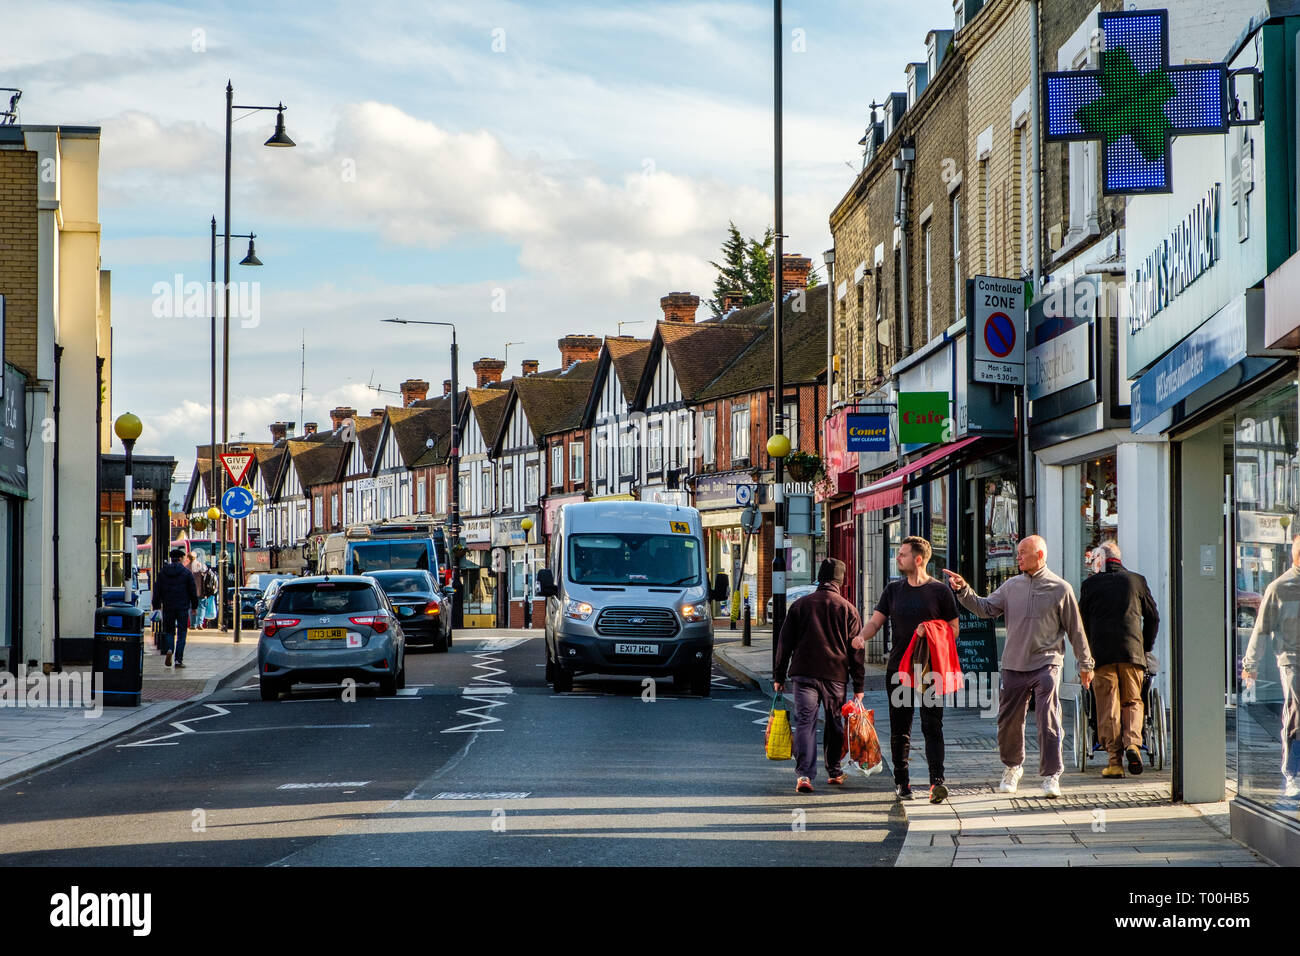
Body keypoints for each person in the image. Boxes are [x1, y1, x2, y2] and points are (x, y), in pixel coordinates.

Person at [942, 535, 1094, 798]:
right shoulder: (1011, 586)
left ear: (1040, 555)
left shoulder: (1061, 588)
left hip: (1047, 663)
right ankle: (1013, 767)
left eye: (1023, 552)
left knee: (1047, 716)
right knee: (1008, 721)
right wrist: (963, 589)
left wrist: (1085, 663)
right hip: (1013, 664)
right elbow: (985, 608)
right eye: (1018, 552)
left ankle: (1051, 775)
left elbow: (1076, 630)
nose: (1018, 557)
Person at [852, 536, 959, 803]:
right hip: (899, 669)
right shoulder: (893, 590)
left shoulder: (940, 592)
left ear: (918, 559)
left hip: (928, 671)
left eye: (902, 554)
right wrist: (861, 637)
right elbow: (876, 622)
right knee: (901, 729)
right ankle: (902, 782)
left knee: (932, 725)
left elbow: (954, 630)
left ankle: (937, 783)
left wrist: (931, 629)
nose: (898, 558)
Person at [773, 558, 865, 793]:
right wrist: (859, 685)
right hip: (835, 676)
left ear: (819, 578)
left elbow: (784, 643)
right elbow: (856, 650)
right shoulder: (848, 609)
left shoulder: (800, 605)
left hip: (803, 673)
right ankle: (834, 772)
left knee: (805, 722)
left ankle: (804, 775)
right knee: (834, 723)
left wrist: (778, 676)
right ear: (841, 581)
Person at [1079, 539, 1159, 778]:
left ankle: (1114, 762)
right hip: (1132, 653)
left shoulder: (1089, 585)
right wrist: (1145, 646)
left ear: (1101, 560)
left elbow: (1081, 623)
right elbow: (1153, 618)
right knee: (1133, 701)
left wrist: (1087, 652)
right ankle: (1133, 743)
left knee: (1108, 706)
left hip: (1101, 655)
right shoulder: (1136, 580)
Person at [1242, 534, 1300, 798]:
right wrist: (1250, 663)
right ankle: (1294, 774)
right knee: (1297, 713)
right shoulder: (1280, 587)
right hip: (1293, 659)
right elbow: (1262, 628)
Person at [152, 547, 199, 668]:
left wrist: (156, 605)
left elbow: (157, 590)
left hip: (168, 607)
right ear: (181, 559)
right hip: (183, 607)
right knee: (182, 633)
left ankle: (169, 650)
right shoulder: (186, 573)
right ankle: (178, 660)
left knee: (169, 631)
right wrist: (194, 606)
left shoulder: (163, 573)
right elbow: (193, 591)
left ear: (171, 559)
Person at [189, 555, 206, 629]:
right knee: (201, 607)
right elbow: (206, 572)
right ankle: (200, 623)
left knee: (192, 607)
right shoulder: (201, 565)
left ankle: (193, 624)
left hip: (191, 592)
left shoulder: (187, 567)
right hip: (201, 590)